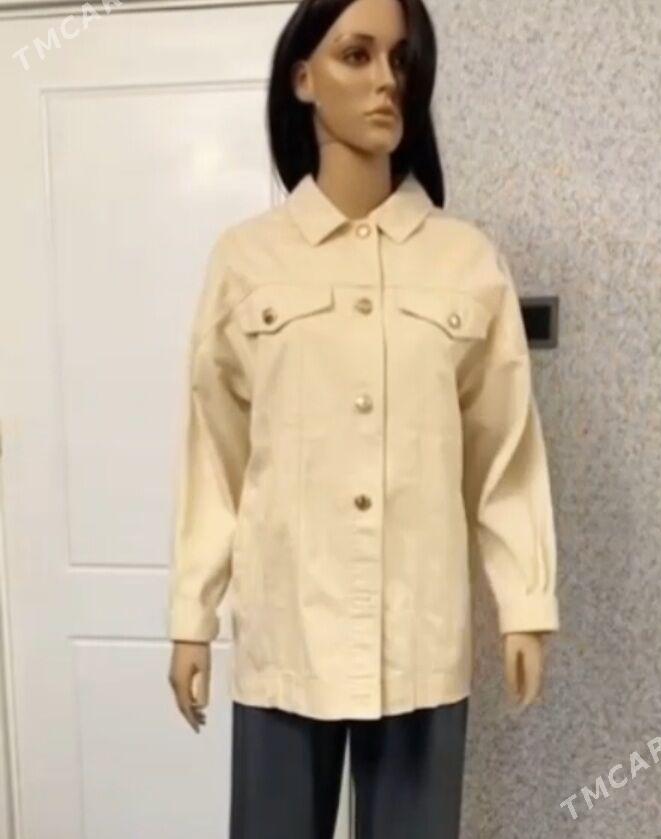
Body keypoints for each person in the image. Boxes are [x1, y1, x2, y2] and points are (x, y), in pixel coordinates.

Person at [166, 0, 560, 836]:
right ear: (302, 78)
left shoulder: (466, 263)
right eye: (357, 55)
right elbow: (215, 458)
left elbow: (504, 454)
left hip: (419, 638)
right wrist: (191, 617)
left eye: (401, 59)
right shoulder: (245, 262)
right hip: (286, 636)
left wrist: (525, 600)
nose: (387, 80)